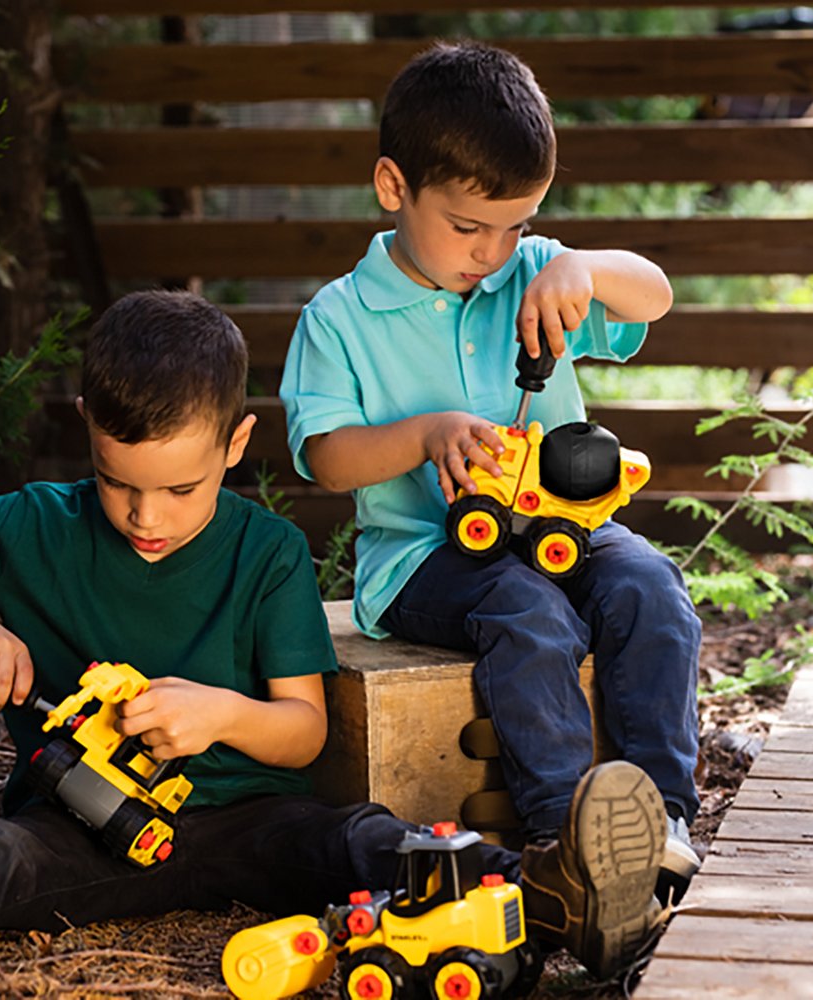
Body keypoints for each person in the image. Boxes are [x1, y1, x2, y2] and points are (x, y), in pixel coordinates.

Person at [0, 289, 669, 984]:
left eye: (181, 490)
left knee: (367, 841)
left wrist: (220, 714)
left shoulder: (266, 550)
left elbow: (304, 732)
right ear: (87, 432)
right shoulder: (37, 523)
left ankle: (559, 894)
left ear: (236, 446)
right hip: (81, 826)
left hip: (253, 821)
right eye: (120, 485)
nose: (146, 516)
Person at [279, 39, 702, 906]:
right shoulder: (341, 317)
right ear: (394, 187)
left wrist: (582, 266)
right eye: (469, 226)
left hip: (562, 525)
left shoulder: (537, 275)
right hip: (424, 559)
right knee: (530, 611)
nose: (492, 251)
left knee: (650, 586)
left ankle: (658, 819)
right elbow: (327, 457)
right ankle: (564, 838)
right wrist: (425, 433)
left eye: (516, 225)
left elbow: (653, 294)